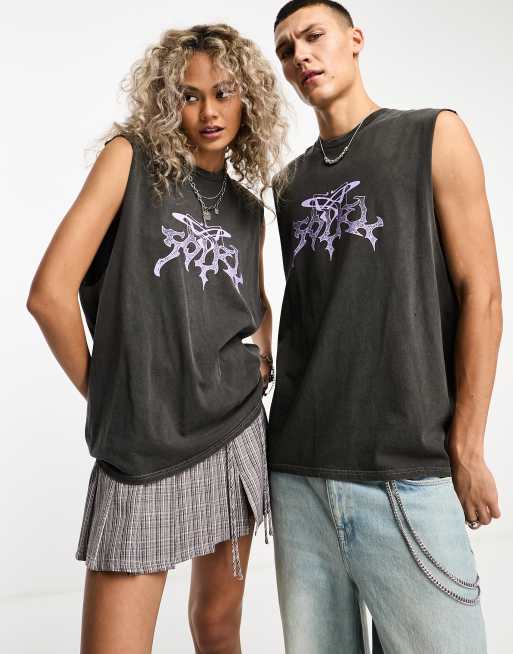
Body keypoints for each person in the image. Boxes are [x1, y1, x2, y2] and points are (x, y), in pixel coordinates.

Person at [26, 23, 286, 654]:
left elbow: (254, 303)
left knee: (218, 628)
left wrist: (261, 361)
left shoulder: (247, 209)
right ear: (168, 101)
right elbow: (49, 295)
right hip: (141, 451)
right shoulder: (129, 160)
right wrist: (109, 394)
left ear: (248, 99)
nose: (209, 111)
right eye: (190, 95)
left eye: (224, 92)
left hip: (232, 437)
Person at [268, 2, 502, 653]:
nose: (300, 55)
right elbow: (309, 319)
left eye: (313, 36)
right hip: (297, 474)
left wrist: (466, 448)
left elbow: (482, 295)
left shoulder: (432, 134)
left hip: (406, 469)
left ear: (354, 40)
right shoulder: (287, 185)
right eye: (285, 49)